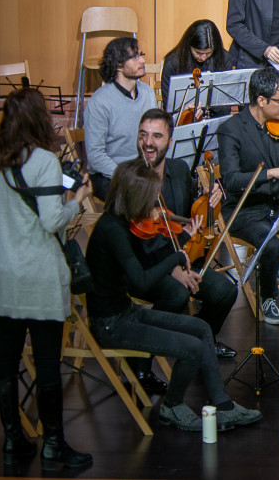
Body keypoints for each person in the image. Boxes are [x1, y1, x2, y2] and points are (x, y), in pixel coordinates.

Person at [84, 159, 261, 434]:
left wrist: (179, 244)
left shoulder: (121, 222)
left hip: (126, 312)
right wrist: (176, 257)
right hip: (112, 323)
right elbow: (141, 278)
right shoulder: (112, 230)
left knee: (202, 328)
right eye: (150, 196)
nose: (153, 203)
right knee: (190, 349)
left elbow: (145, 258)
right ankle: (172, 406)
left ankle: (224, 406)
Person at [0, 88, 93, 470]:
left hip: (2, 272)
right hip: (37, 274)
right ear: (38, 119)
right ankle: (54, 445)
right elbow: (50, 220)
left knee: (6, 359)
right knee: (45, 364)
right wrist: (75, 199)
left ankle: (13, 440)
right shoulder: (43, 160)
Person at [136, 109, 238, 362]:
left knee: (226, 291)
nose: (149, 142)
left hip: (183, 253)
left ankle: (201, 340)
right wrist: (171, 269)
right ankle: (141, 359)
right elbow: (134, 243)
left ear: (170, 142)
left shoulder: (179, 169)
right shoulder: (130, 177)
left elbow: (196, 206)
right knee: (177, 292)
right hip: (146, 266)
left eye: (157, 136)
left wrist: (212, 194)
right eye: (143, 135)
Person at [216, 67, 279, 325]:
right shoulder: (231, 130)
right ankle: (268, 298)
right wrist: (271, 173)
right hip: (244, 210)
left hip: (277, 204)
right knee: (270, 243)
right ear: (260, 101)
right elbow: (232, 180)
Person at [84, 36, 156, 199]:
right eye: (135, 57)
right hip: (110, 174)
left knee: (178, 175)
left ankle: (176, 224)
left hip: (141, 169)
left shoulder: (147, 93)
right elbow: (95, 157)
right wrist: (127, 176)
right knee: (139, 193)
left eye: (141, 55)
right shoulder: (99, 102)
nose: (143, 60)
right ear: (118, 65)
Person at [160, 19, 232, 115]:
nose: (203, 58)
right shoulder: (172, 62)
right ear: (189, 45)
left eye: (208, 53)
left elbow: (226, 105)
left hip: (215, 117)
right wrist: (186, 111)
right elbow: (168, 106)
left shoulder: (224, 58)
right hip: (183, 120)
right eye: (198, 53)